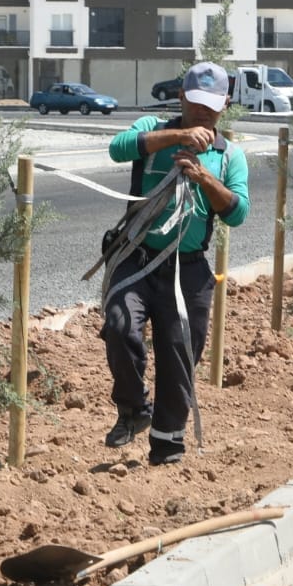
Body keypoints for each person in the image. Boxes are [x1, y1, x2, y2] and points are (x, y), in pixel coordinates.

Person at [102, 61, 249, 465]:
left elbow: (238, 212)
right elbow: (118, 147)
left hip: (190, 271)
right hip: (138, 257)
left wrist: (203, 179)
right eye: (195, 103)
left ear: (225, 105)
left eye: (212, 105)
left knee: (180, 353)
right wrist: (178, 137)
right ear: (181, 97)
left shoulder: (229, 155)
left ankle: (167, 447)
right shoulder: (155, 128)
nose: (203, 113)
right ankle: (133, 410)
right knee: (119, 324)